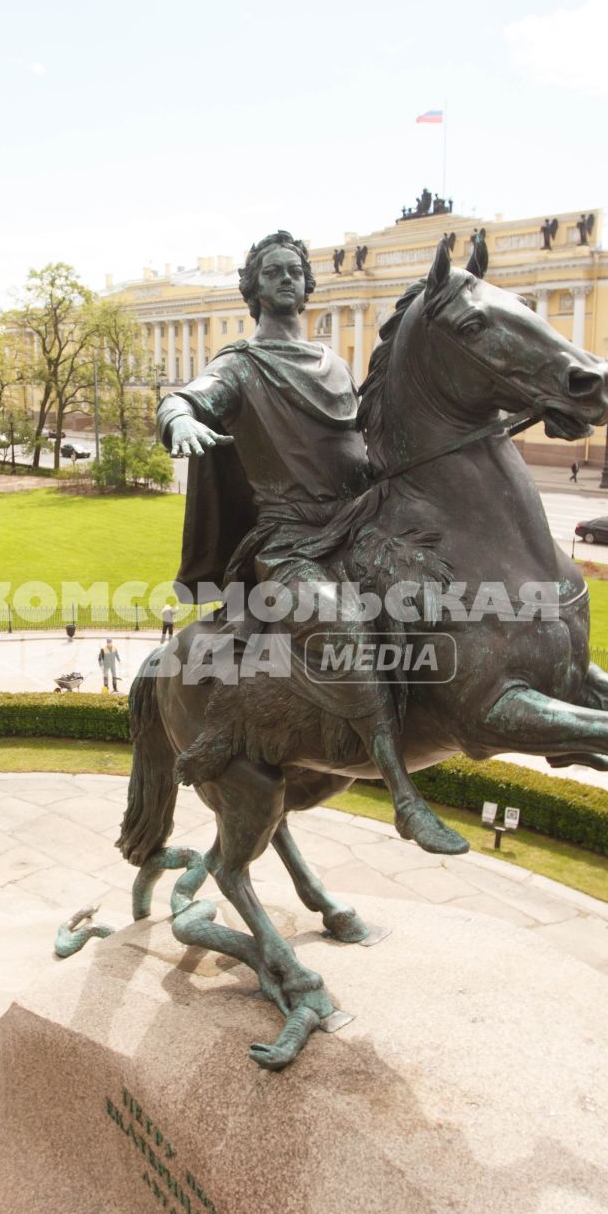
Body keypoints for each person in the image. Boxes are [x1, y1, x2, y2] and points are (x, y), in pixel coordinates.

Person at [155, 228, 463, 854]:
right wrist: (179, 416)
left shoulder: (335, 363)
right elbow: (187, 397)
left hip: (357, 526)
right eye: (272, 272)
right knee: (345, 630)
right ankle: (404, 797)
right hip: (290, 544)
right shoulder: (240, 364)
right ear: (253, 288)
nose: (286, 279)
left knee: (456, 597)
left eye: (294, 269)